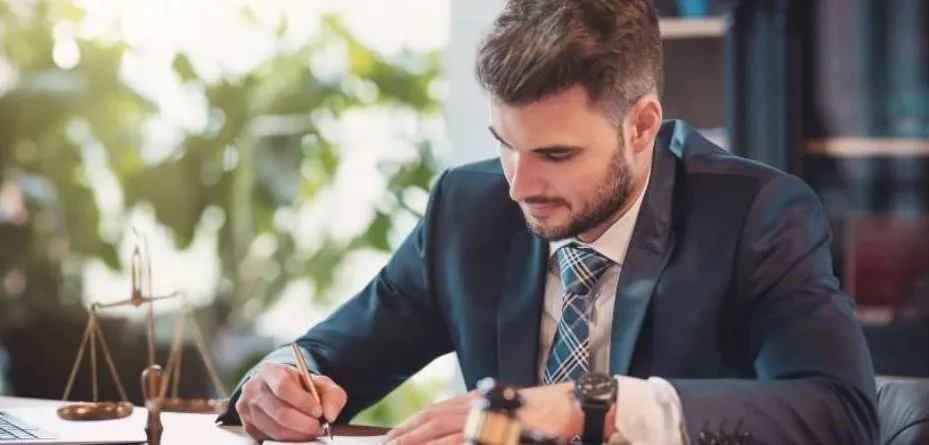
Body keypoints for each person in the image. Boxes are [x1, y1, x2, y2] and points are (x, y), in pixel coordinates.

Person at [217, 0, 879, 443]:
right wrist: (281, 382)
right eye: (505, 144)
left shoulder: (755, 215)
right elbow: (330, 358)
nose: (519, 184)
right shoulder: (467, 209)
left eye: (556, 154)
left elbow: (839, 412)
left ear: (641, 125)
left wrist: (592, 405)